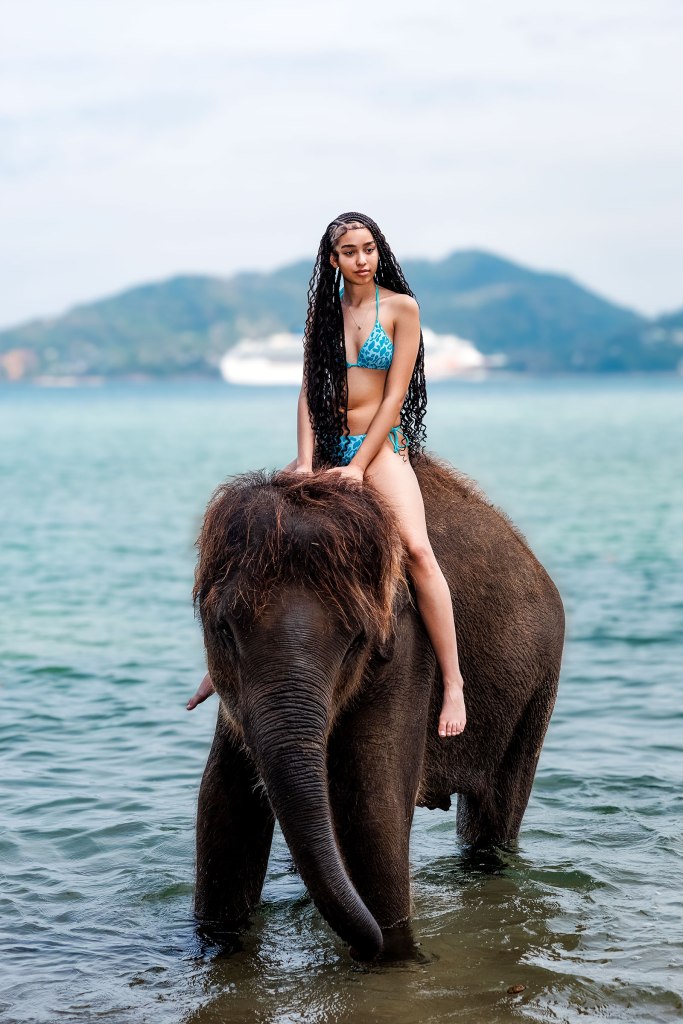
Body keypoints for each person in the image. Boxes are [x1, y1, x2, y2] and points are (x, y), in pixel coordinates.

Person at [187, 212, 466, 738]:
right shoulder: (324, 315)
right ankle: (225, 667)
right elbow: (308, 393)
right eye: (349, 252)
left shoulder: (403, 309)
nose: (361, 260)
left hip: (379, 447)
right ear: (332, 260)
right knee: (263, 541)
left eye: (368, 249)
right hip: (328, 439)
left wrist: (358, 467)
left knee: (418, 551)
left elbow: (395, 396)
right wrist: (307, 460)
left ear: (378, 251)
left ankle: (453, 681)